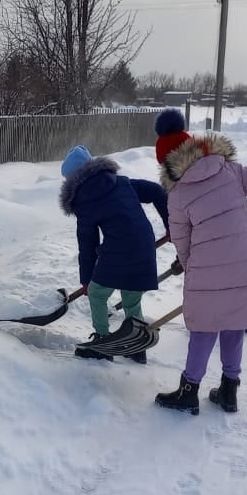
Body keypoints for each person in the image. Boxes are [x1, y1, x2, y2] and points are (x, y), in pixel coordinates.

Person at [150, 109, 247, 415]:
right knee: (235, 320)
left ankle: (188, 391)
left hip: (207, 273)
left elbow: (182, 244)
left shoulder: (178, 195)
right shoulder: (229, 170)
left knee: (204, 327)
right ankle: (229, 390)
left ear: (168, 164)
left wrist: (191, 267)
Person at [58, 144, 169, 364]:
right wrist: (171, 224)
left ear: (71, 180)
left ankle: (102, 342)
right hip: (144, 245)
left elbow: (88, 245)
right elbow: (157, 191)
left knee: (98, 294)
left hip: (120, 249)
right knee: (131, 296)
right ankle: (136, 346)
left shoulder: (83, 203)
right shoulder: (121, 182)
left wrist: (87, 280)